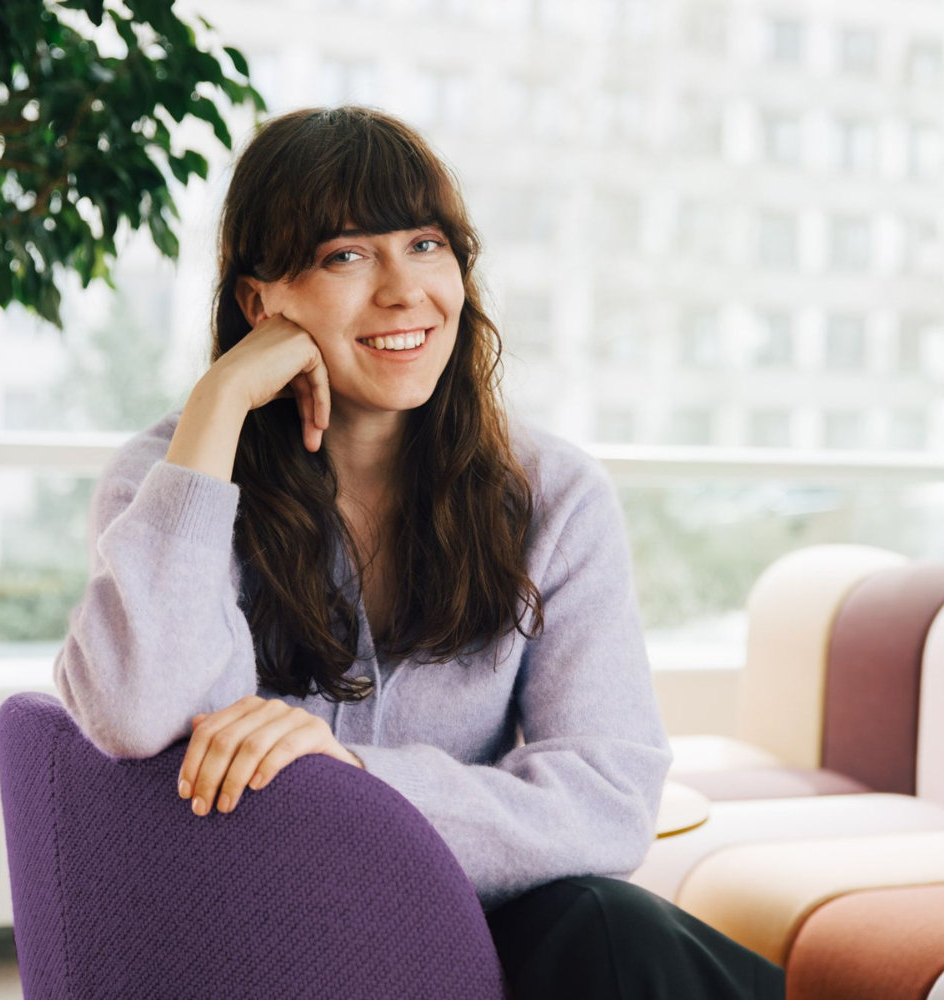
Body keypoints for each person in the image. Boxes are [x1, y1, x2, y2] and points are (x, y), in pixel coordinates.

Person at [53, 105, 785, 998]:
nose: (404, 291)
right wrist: (221, 401)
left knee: (610, 927)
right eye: (345, 255)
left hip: (463, 933)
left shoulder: (553, 496)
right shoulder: (169, 482)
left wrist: (357, 780)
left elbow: (609, 796)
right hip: (260, 940)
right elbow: (133, 710)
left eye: (426, 245)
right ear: (259, 302)